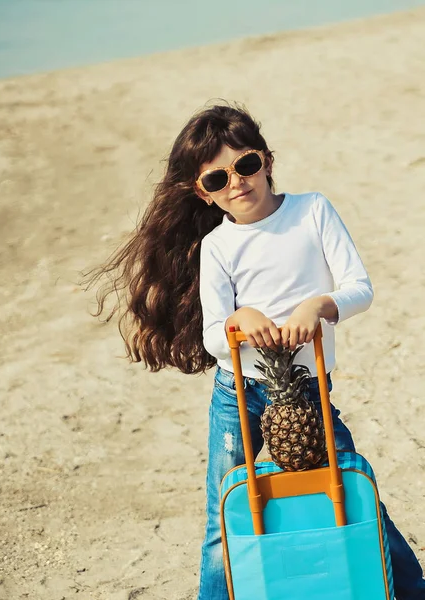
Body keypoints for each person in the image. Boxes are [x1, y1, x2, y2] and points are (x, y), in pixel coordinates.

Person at [86, 103, 425, 599]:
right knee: (224, 512)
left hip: (307, 394)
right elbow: (212, 334)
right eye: (217, 179)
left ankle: (412, 588)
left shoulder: (312, 210)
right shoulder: (217, 246)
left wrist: (321, 304)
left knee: (355, 494)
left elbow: (360, 287)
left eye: (245, 166)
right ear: (203, 192)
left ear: (265, 161)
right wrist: (240, 321)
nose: (237, 183)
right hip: (238, 393)